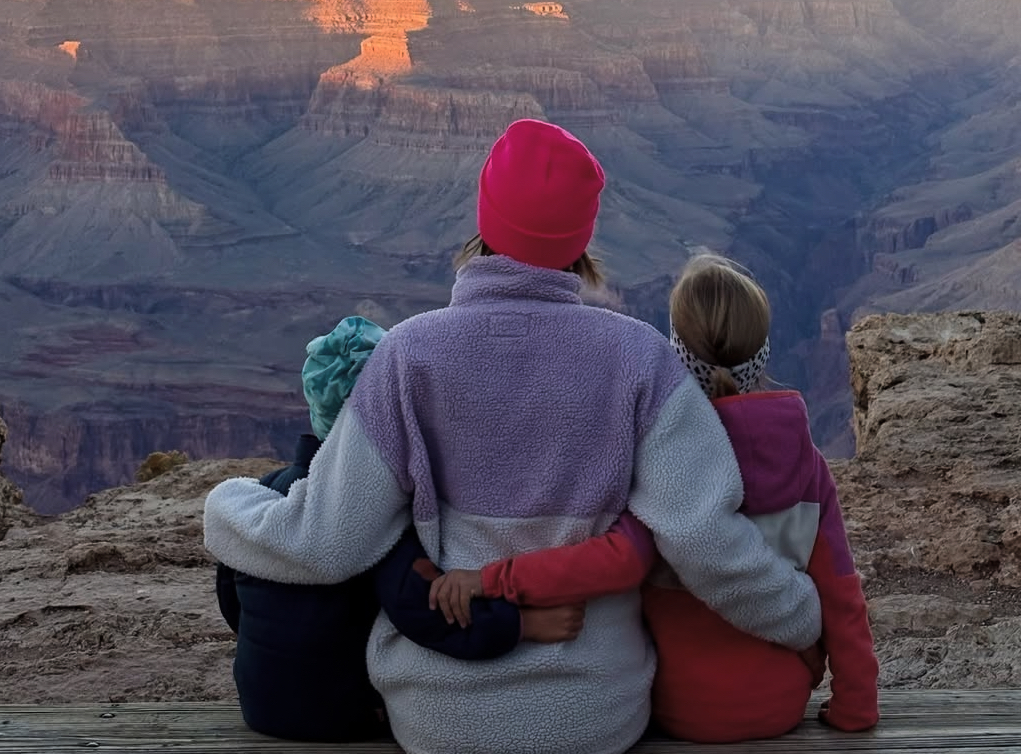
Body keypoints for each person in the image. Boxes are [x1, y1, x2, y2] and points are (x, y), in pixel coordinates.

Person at [205, 119, 821, 754]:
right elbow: (702, 539)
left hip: (439, 716)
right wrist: (800, 616)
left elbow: (325, 542)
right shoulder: (639, 360)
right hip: (595, 715)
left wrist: (227, 503)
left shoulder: (409, 355)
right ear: (582, 240)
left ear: (485, 222)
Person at [431, 253, 879, 743]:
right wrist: (855, 704)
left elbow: (614, 561)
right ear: (763, 351)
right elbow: (840, 591)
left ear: (676, 350)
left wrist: (494, 578)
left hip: (674, 705)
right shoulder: (805, 462)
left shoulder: (660, 461)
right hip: (780, 702)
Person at [214, 315, 578, 742]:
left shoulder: (267, 492)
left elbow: (231, 601)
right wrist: (521, 626)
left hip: (259, 704)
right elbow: (420, 610)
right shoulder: (374, 510)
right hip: (342, 714)